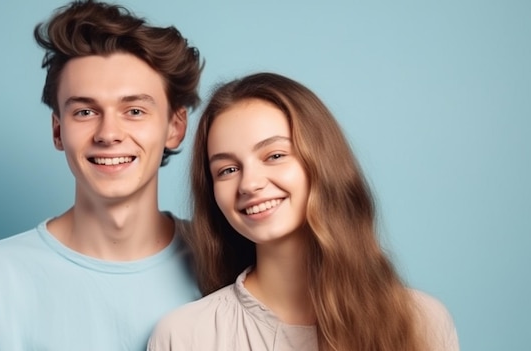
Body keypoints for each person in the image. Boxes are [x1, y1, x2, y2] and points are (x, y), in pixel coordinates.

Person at [0, 1, 203, 350]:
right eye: (85, 111)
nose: (109, 133)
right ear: (58, 131)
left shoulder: (224, 263)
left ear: (175, 126)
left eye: (134, 110)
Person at [148, 72, 459, 351]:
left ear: (322, 164)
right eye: (227, 169)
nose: (250, 184)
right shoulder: (184, 337)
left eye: (275, 155)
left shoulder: (421, 322)